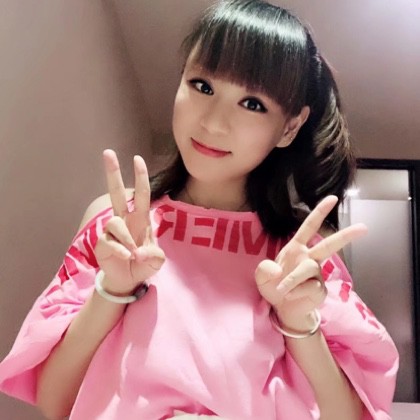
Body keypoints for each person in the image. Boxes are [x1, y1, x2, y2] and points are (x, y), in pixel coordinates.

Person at [0, 0, 398, 419]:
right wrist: (112, 289)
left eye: (253, 103)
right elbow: (55, 401)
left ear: (290, 127)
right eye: (202, 86)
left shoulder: (301, 255)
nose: (213, 123)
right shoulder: (117, 222)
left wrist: (300, 324)